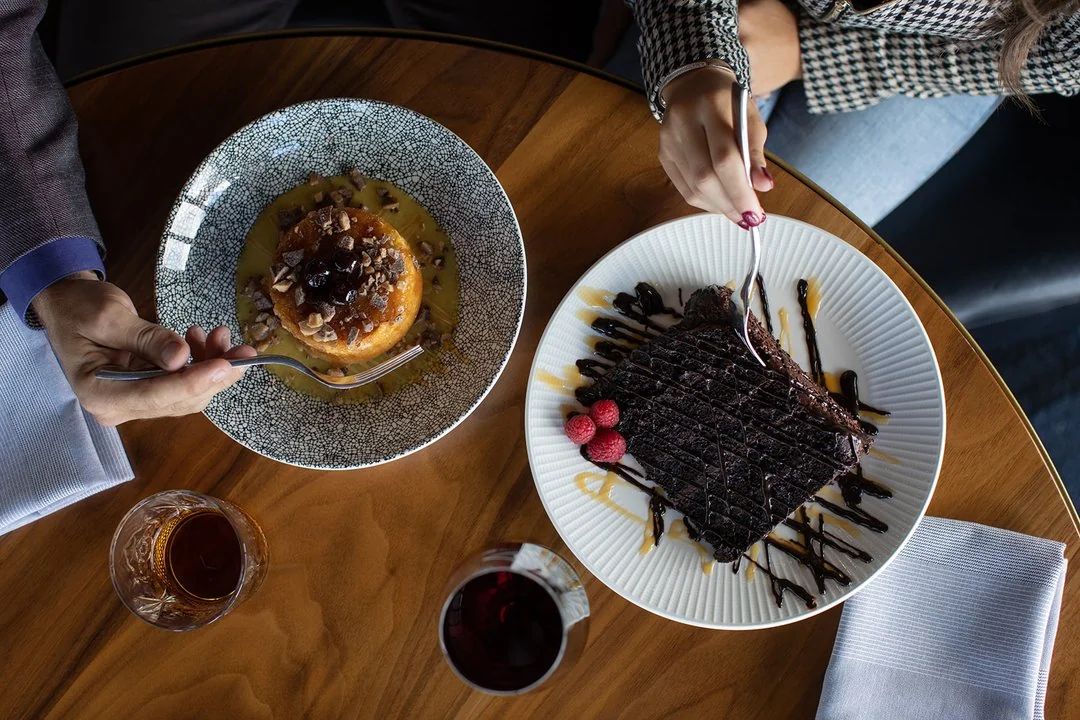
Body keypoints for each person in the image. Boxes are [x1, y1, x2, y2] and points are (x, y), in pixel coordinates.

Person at [619, 0, 1080, 229]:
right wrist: (688, 43)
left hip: (956, 54)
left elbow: (1059, 54)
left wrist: (806, 51)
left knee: (770, 249)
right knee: (626, 203)